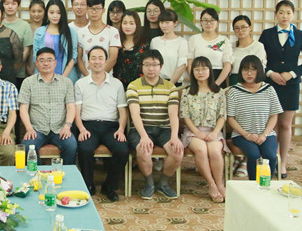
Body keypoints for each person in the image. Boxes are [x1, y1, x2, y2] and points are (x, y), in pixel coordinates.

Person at [259, 0, 302, 178]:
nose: (284, 16)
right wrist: (270, 73)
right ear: (275, 14)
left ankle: (283, 163)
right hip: (271, 85)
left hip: (291, 86)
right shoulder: (267, 34)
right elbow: (259, 59)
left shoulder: (299, 34)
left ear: (293, 14)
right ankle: (271, 160)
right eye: (281, 12)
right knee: (271, 125)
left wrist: (292, 73)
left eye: (288, 12)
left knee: (285, 124)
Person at [74, 46, 128, 201]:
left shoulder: (117, 84)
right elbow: (76, 111)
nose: (97, 62)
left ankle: (109, 186)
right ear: (88, 62)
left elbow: (122, 110)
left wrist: (121, 129)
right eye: (93, 58)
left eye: (100, 58)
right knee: (85, 149)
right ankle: (88, 185)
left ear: (106, 61)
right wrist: (81, 129)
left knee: (122, 150)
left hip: (111, 126)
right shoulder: (80, 84)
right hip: (88, 125)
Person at [126, 49, 182, 200]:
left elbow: (173, 114)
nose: (151, 68)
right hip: (141, 129)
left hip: (164, 129)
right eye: (147, 65)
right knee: (143, 150)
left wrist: (174, 136)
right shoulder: (133, 86)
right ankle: (149, 183)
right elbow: (135, 114)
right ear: (142, 66)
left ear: (161, 66)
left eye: (155, 65)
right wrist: (144, 136)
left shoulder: (170, 87)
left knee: (177, 151)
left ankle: (163, 183)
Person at [226, 55, 283, 181]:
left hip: (266, 134)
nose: (249, 73)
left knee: (270, 156)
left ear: (259, 71)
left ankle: (266, 183)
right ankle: (253, 184)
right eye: (245, 70)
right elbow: (230, 119)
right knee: (253, 155)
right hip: (241, 135)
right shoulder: (234, 91)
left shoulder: (269, 89)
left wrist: (264, 134)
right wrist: (246, 135)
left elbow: (274, 116)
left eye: (253, 70)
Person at [179, 57, 227, 202]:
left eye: (204, 69)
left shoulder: (219, 92)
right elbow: (185, 116)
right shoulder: (187, 92)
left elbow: (222, 115)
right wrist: (197, 132)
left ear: (210, 71)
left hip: (213, 130)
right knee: (201, 149)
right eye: (197, 69)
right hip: (192, 132)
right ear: (192, 72)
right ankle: (211, 184)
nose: (200, 72)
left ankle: (220, 184)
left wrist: (214, 133)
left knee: (215, 151)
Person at [19, 47, 77, 164]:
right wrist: (29, 128)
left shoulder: (66, 82)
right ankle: (37, 174)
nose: (46, 63)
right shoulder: (28, 82)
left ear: (55, 63)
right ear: (36, 63)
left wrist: (67, 126)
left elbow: (71, 106)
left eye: (49, 60)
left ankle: (65, 174)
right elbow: (23, 108)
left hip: (60, 129)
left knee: (71, 145)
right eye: (42, 60)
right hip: (37, 129)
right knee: (28, 147)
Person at [33, 0, 78, 83]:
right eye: (51, 12)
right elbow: (36, 56)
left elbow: (73, 56)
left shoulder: (70, 32)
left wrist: (63, 78)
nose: (55, 16)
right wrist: (45, 76)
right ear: (47, 13)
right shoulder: (39, 32)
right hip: (43, 72)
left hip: (66, 73)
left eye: (58, 13)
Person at [187, 8, 232, 88]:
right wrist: (196, 82)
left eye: (212, 20)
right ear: (201, 22)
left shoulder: (224, 40)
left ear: (217, 22)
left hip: (218, 79)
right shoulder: (194, 39)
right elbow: (190, 63)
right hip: (199, 80)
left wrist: (215, 85)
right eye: (205, 20)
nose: (209, 23)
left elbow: (227, 66)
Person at [76, 0, 121, 76]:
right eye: (91, 9)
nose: (94, 12)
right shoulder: (81, 32)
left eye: (97, 9)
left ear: (103, 10)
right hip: (86, 78)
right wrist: (89, 78)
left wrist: (99, 77)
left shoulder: (112, 32)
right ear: (87, 10)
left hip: (106, 78)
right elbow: (79, 58)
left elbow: (113, 59)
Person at [1, 0, 34, 90]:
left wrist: (15, 67)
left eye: (13, 3)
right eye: (7, 3)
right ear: (2, 5)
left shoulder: (25, 26)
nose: (10, 7)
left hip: (18, 73)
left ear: (18, 5)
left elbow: (27, 49)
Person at [150, 10, 188, 86]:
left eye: (167, 22)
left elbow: (182, 66)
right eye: (161, 22)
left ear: (175, 23)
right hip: (156, 82)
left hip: (174, 83)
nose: (164, 26)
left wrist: (170, 85)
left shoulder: (181, 42)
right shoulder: (155, 41)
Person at [114, 10, 147, 89]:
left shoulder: (144, 45)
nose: (127, 27)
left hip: (139, 87)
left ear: (137, 25)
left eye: (131, 23)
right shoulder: (116, 43)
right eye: (125, 23)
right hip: (118, 86)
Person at [231, 15, 266, 86]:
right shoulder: (230, 46)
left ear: (250, 28)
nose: (240, 30)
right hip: (233, 81)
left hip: (251, 82)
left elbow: (260, 68)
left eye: (243, 27)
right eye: (237, 28)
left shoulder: (258, 46)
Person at [27, 0, 45, 76]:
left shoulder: (48, 28)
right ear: (29, 12)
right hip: (28, 68)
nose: (36, 14)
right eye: (33, 11)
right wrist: (27, 67)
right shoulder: (26, 28)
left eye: (39, 11)